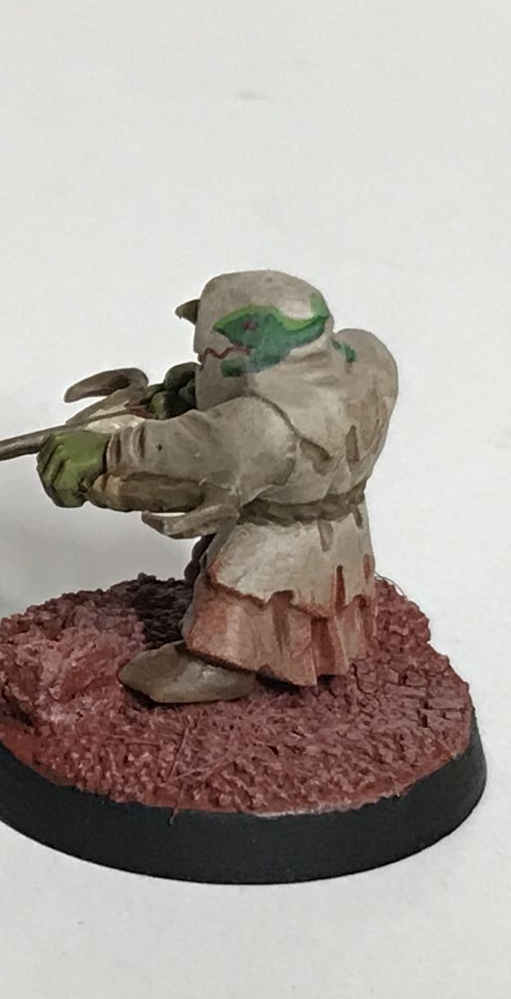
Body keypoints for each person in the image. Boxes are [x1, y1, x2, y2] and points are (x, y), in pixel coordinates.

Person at [36, 270, 398, 703]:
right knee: (303, 594)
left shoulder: (268, 425)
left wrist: (104, 450)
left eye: (208, 356)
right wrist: (200, 391)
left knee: (245, 592)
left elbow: (191, 444)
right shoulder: (373, 360)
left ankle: (220, 665)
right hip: (343, 523)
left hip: (275, 535)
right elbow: (245, 411)